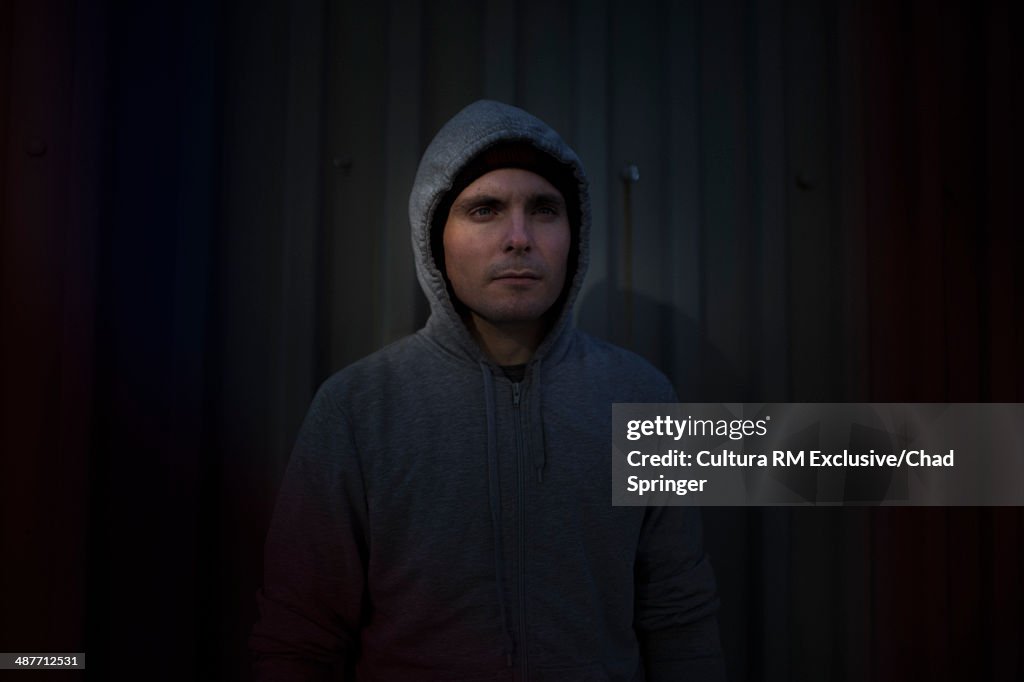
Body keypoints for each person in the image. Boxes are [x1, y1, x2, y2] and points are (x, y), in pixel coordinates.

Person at [250, 100, 724, 681]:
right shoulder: (357, 408)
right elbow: (300, 636)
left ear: (574, 235)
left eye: (545, 210)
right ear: (434, 237)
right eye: (485, 209)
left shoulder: (643, 396)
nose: (519, 237)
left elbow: (679, 617)